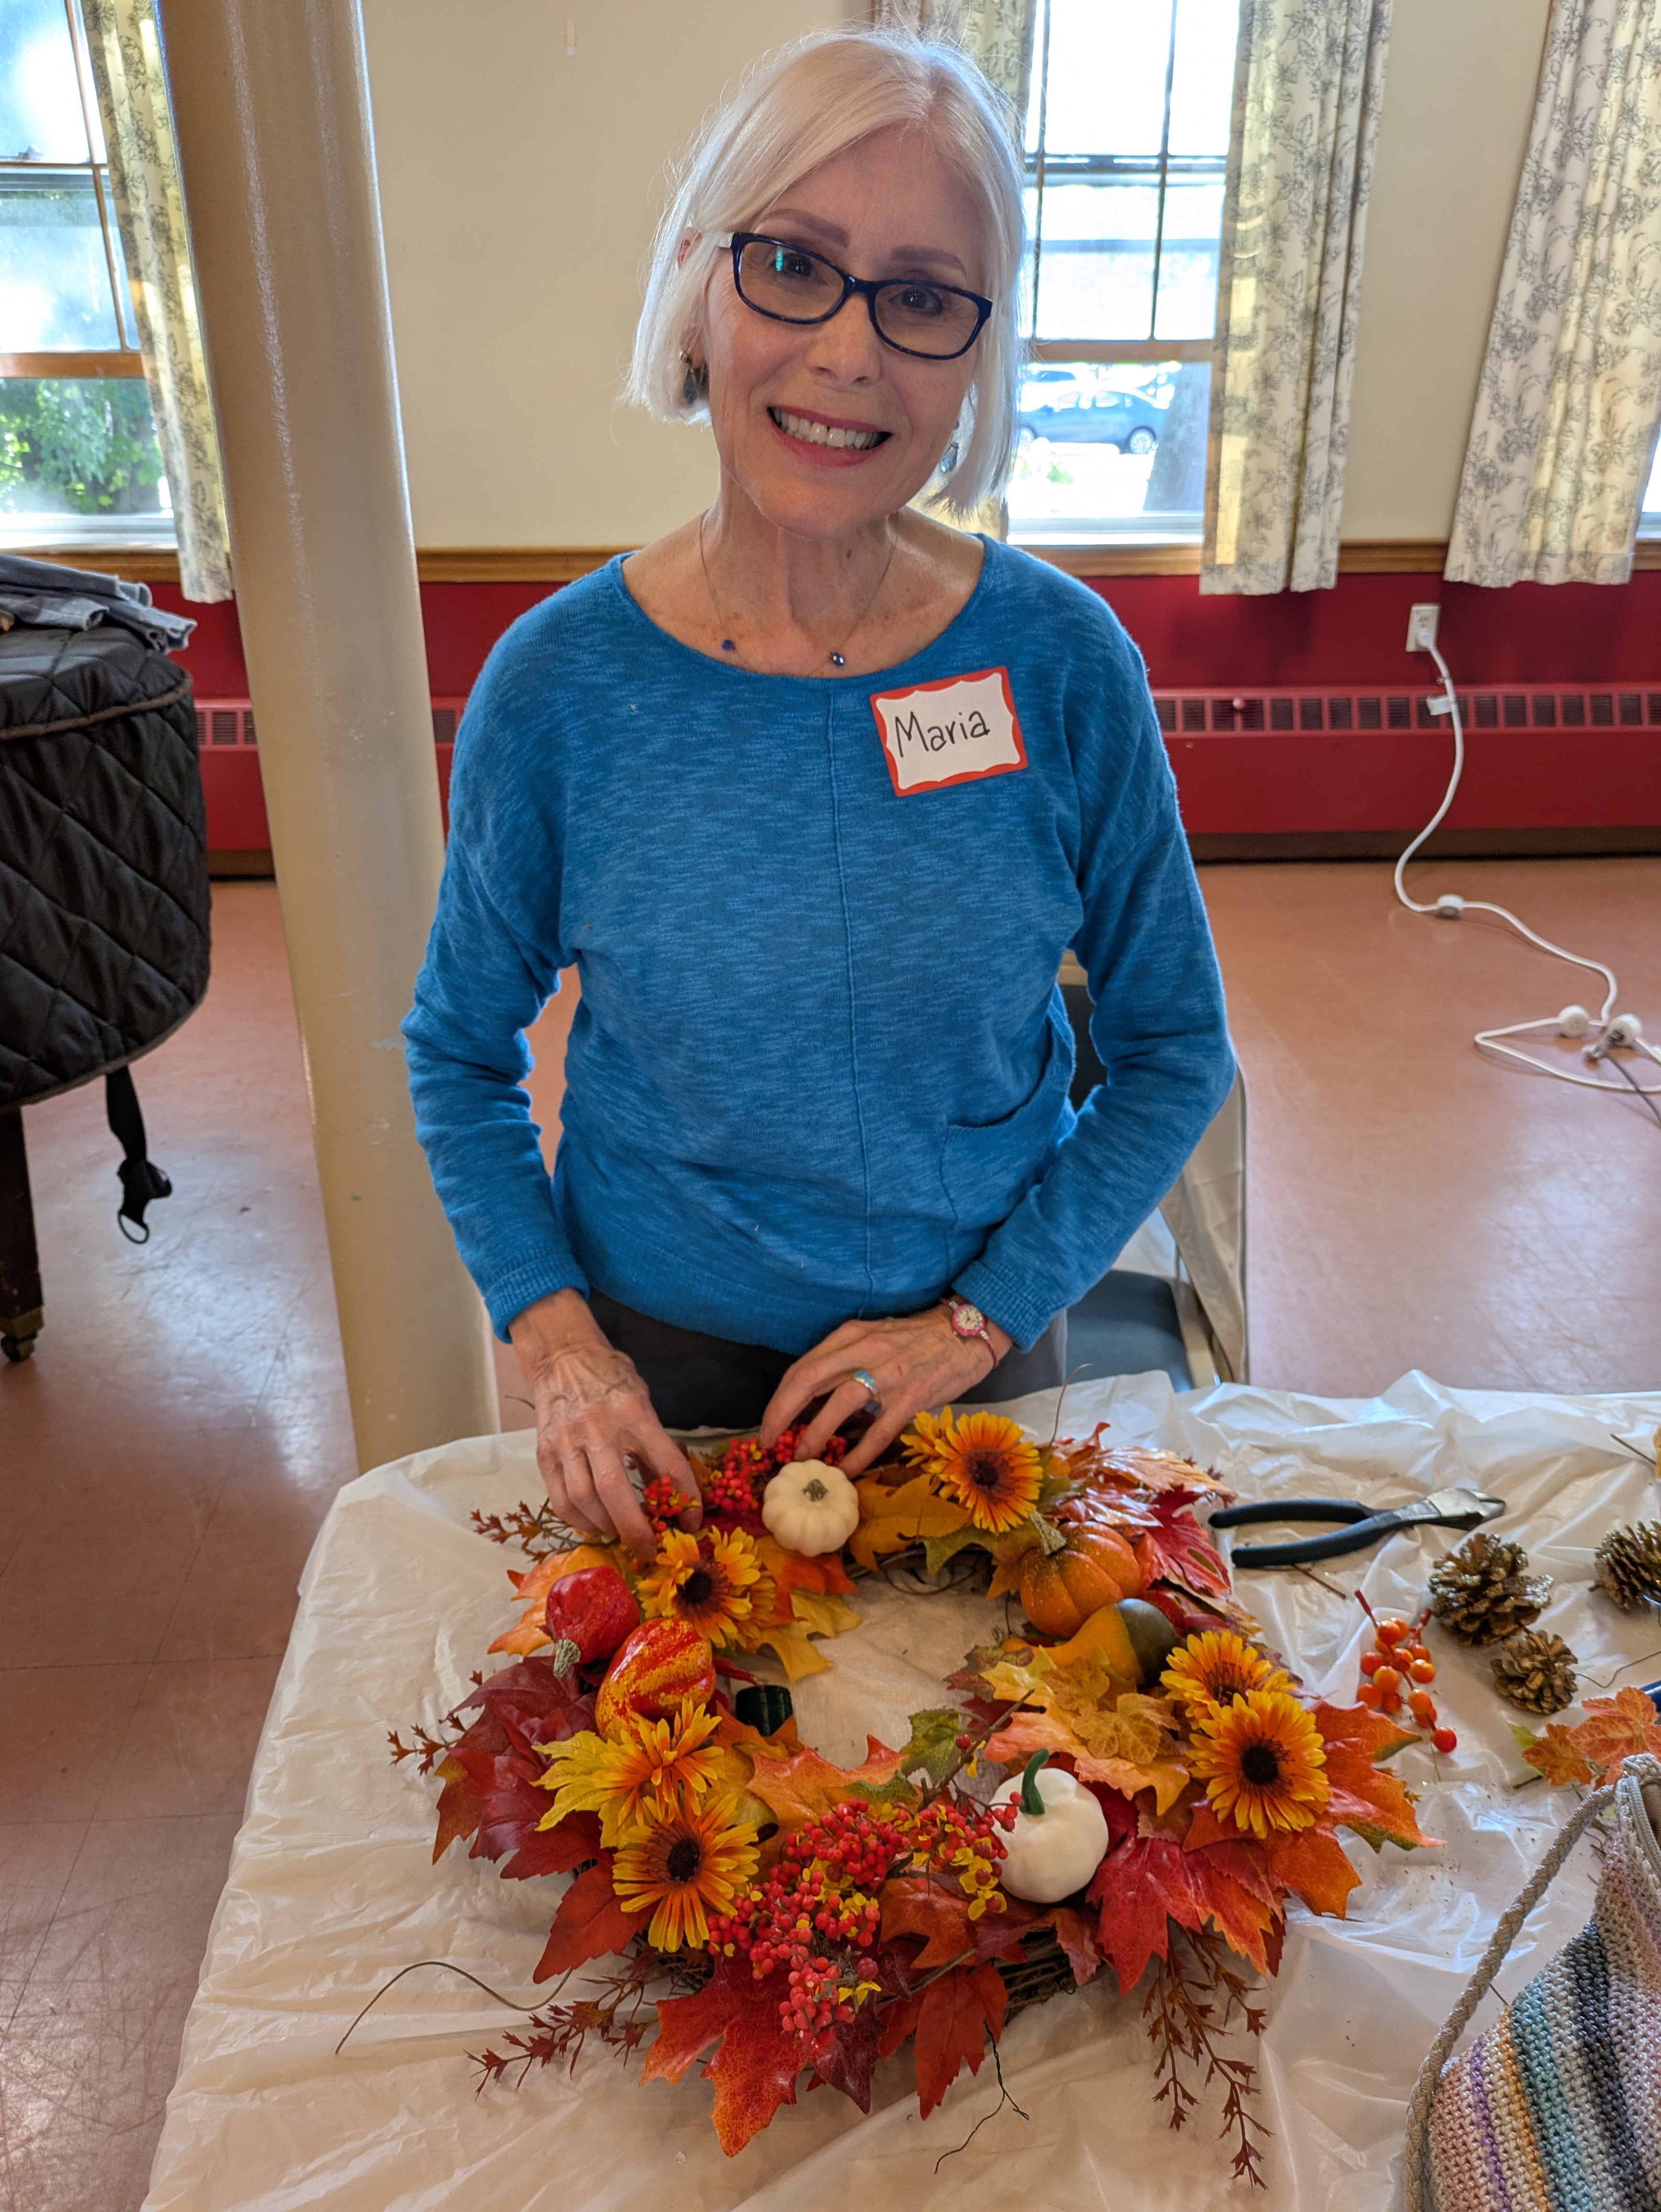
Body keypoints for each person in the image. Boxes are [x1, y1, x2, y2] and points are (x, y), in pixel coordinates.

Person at [402, 27, 1234, 1559]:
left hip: (978, 1371)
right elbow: (459, 1055)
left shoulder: (1061, 665)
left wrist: (976, 1325)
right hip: (661, 1377)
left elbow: (1176, 1050)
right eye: (793, 263)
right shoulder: (560, 688)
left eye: (921, 297)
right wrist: (561, 1345)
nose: (850, 352)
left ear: (978, 351)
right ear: (700, 286)